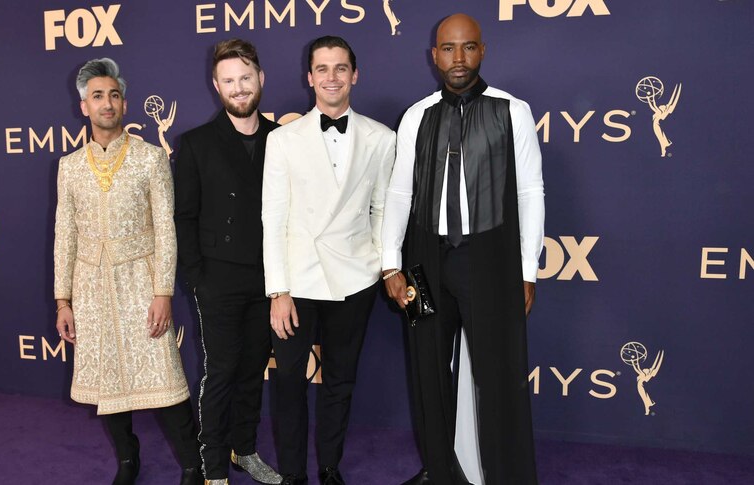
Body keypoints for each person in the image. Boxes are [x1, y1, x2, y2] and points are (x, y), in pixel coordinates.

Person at [381, 14, 545, 485]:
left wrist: (527, 270)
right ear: (434, 55)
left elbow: (531, 191)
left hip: (490, 260)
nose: (458, 58)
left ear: (482, 51)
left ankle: (509, 476)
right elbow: (398, 193)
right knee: (429, 373)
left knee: (500, 377)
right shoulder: (416, 115)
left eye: (468, 47)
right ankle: (441, 471)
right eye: (448, 48)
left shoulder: (511, 111)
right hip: (422, 260)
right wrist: (391, 264)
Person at [54, 58, 203, 485]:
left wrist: (162, 292)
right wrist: (62, 300)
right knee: (107, 383)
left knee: (164, 379)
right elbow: (64, 235)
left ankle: (192, 466)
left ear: (124, 103)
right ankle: (127, 461)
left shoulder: (151, 159)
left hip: (140, 281)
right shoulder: (69, 166)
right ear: (84, 106)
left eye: (114, 95)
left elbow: (166, 232)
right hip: (89, 287)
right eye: (97, 96)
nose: (106, 103)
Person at [262, 36, 396, 485]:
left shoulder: (381, 138)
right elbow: (273, 219)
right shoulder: (282, 140)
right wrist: (277, 290)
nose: (332, 77)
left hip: (353, 279)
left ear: (354, 75)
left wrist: (378, 263)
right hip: (297, 282)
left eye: (341, 68)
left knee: (340, 381)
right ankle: (294, 474)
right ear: (310, 77)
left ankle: (329, 466)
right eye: (323, 68)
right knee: (289, 385)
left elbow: (382, 208)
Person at [175, 39, 282, 485]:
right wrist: (198, 277)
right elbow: (184, 214)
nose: (238, 88)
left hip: (270, 277)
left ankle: (246, 450)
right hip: (217, 278)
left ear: (260, 78)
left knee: (253, 368)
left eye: (245, 77)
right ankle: (214, 466)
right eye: (228, 81)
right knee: (220, 372)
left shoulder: (284, 139)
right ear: (216, 87)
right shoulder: (196, 143)